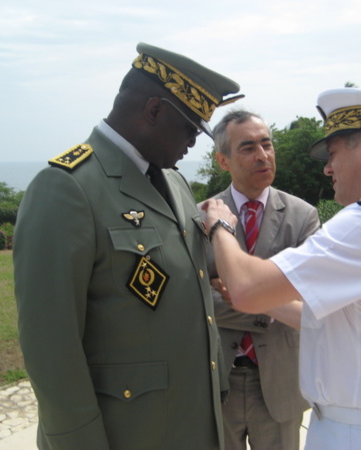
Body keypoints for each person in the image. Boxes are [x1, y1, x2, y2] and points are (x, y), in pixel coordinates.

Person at [13, 42, 244, 450]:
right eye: (190, 128)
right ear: (153, 111)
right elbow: (50, 346)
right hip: (128, 432)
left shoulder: (174, 182)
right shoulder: (68, 187)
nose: (194, 143)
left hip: (193, 420)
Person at [202, 88, 361, 450]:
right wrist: (265, 301)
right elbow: (328, 317)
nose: (328, 168)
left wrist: (220, 227)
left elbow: (246, 288)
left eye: (333, 154)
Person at [200, 110, 320, 450]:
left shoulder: (303, 217)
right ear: (223, 159)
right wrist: (275, 303)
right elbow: (198, 299)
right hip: (220, 376)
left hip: (280, 379)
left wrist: (240, 295)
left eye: (267, 144)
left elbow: (313, 299)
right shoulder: (201, 216)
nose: (263, 155)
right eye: (249, 147)